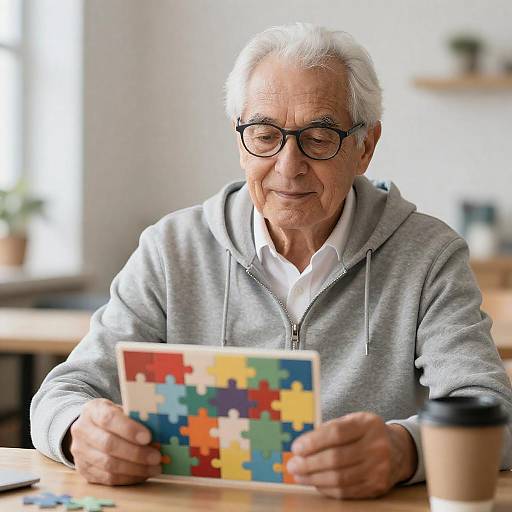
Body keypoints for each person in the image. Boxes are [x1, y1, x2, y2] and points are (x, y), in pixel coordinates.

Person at [31, 23, 512, 500]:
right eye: (264, 135)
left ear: (365, 147)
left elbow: (494, 413)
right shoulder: (170, 248)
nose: (288, 165)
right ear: (240, 141)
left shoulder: (428, 255)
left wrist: (404, 451)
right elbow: (62, 392)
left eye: (319, 138)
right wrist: (79, 432)